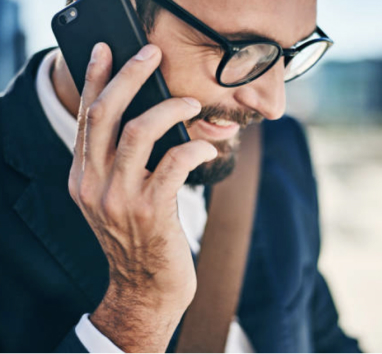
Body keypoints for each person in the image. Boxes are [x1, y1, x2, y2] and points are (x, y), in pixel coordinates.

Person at [0, 0, 362, 352]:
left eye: (290, 53)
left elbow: (321, 336)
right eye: (240, 50)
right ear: (107, 14)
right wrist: (139, 308)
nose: (272, 105)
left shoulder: (277, 147)